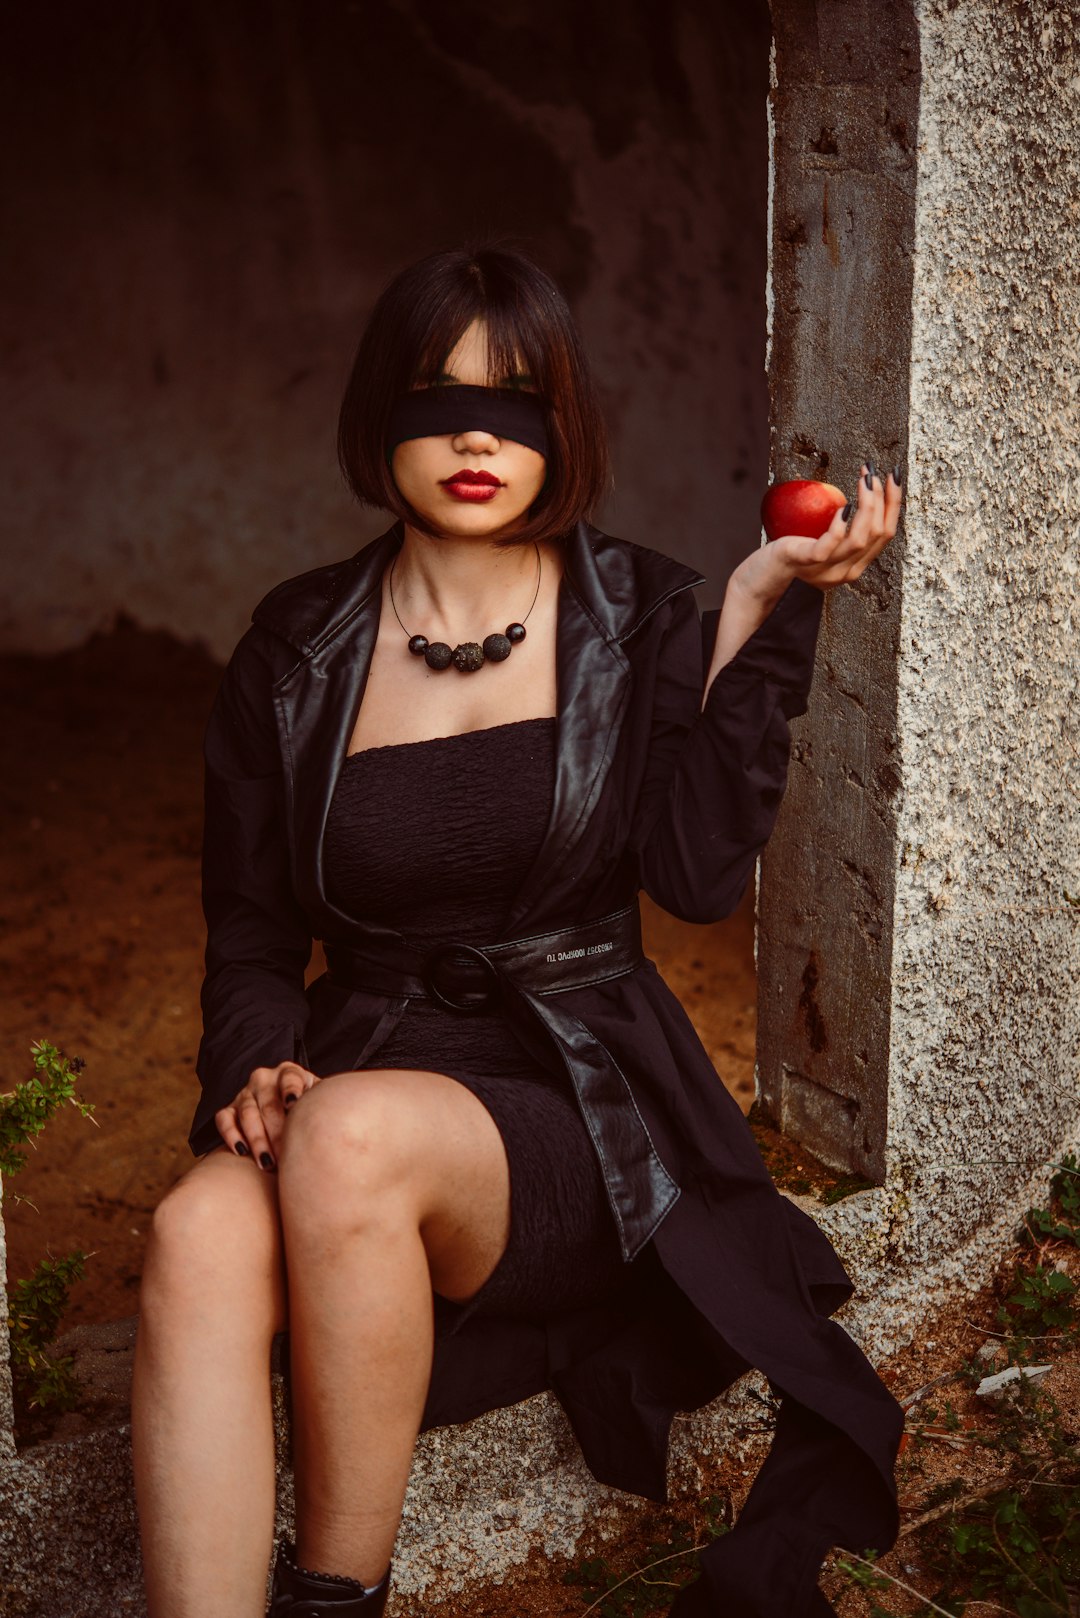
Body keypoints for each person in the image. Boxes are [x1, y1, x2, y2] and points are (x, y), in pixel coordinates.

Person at [131, 243, 905, 1618]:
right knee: (197, 1225)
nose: (478, 434)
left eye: (517, 399)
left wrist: (765, 619)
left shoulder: (643, 612)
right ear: (381, 418)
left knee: (353, 1134)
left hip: (575, 1108)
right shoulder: (296, 647)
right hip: (354, 1087)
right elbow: (250, 926)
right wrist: (253, 1055)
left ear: (567, 425)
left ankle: (333, 1601)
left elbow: (696, 875)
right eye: (437, 396)